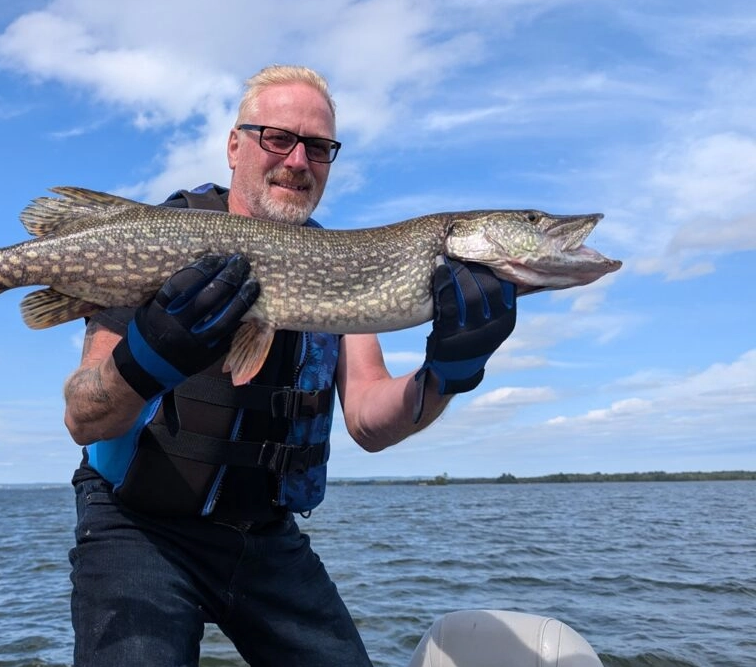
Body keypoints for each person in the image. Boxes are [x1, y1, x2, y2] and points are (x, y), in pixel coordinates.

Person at [63, 65, 517, 666]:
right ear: (234, 145)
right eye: (277, 137)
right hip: (137, 526)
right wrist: (148, 355)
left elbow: (370, 420)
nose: (298, 160)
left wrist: (450, 372)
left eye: (319, 147)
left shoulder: (341, 260)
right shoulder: (162, 238)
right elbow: (84, 417)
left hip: (264, 536)